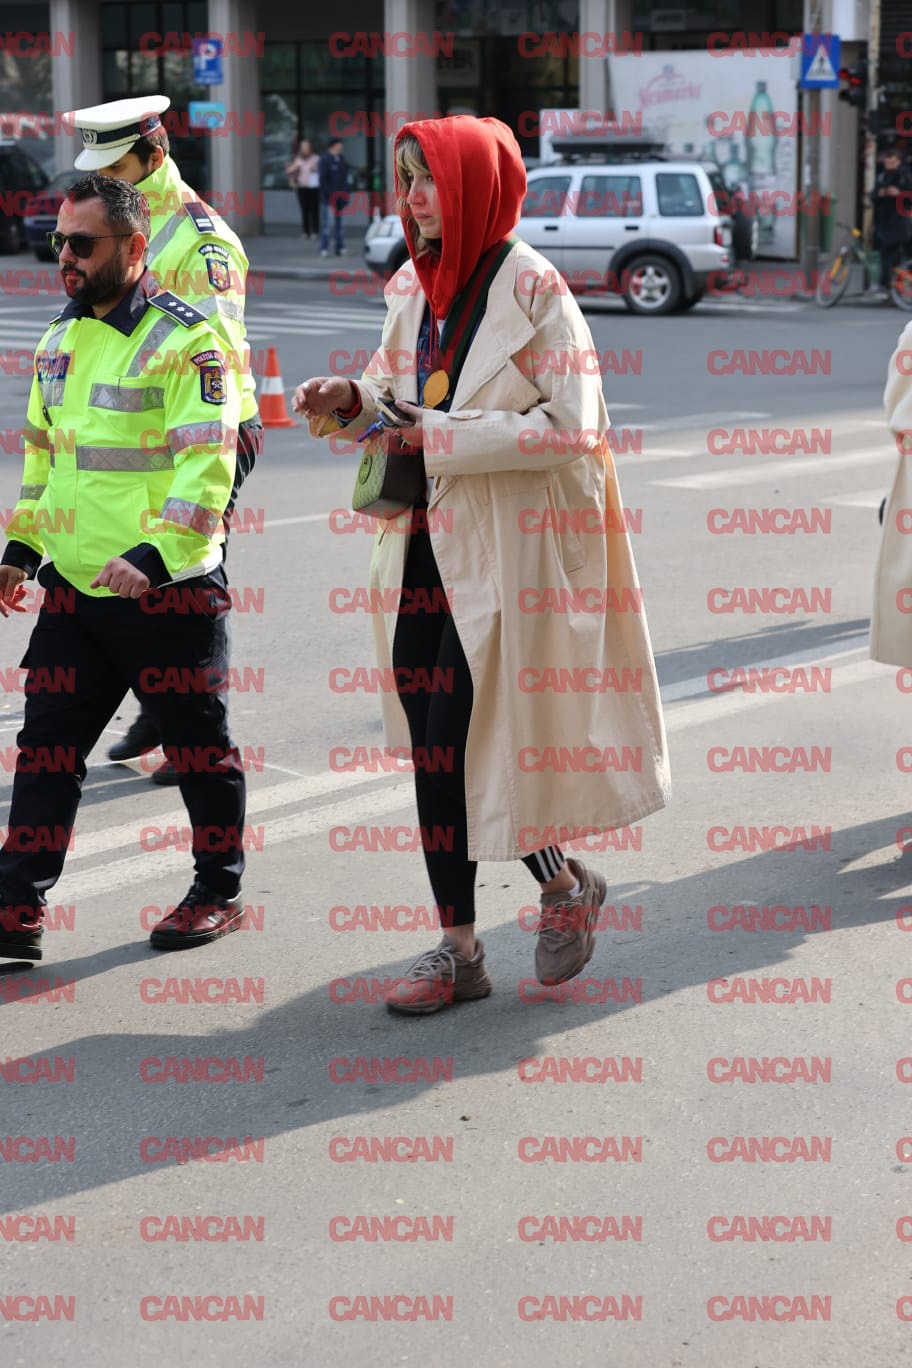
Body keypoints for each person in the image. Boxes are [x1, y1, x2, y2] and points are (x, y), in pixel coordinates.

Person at [294, 115, 670, 1014]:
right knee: (440, 748)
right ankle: (509, 917)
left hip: (509, 554)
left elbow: (573, 425)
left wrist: (442, 433)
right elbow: (392, 396)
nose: (413, 196)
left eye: (429, 178)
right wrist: (350, 400)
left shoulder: (536, 288)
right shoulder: (411, 284)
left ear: (475, 187)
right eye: (405, 177)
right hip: (421, 545)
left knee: (465, 736)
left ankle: (486, 931)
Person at [0, 174, 247, 963]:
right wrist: (20, 549)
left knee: (199, 752)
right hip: (76, 593)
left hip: (166, 593)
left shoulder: (188, 342)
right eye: (59, 242)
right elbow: (44, 458)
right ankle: (15, 906)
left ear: (135, 247)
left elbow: (208, 466)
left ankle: (217, 892)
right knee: (46, 749)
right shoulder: (58, 340)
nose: (65, 257)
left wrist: (156, 555)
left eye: (82, 243)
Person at [66, 95, 264, 782]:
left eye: (117, 167)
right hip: (135, 432)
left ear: (156, 154)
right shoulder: (118, 223)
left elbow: (213, 367)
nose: (105, 181)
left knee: (188, 570)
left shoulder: (202, 243)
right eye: (99, 170)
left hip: (206, 432)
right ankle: (163, 707)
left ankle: (195, 736)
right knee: (136, 570)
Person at [872, 147, 912, 299]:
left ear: (899, 162)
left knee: (887, 252)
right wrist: (880, 193)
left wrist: (899, 193)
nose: (890, 166)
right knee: (891, 256)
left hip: (900, 222)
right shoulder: (882, 176)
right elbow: (873, 195)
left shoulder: (906, 176)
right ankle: (894, 288)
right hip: (884, 221)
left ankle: (885, 286)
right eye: (887, 163)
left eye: (893, 163)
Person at [318, 137, 350, 257]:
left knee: (340, 226)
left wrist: (345, 194)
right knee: (327, 225)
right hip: (328, 199)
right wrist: (331, 195)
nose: (341, 148)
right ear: (333, 146)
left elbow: (345, 179)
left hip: (340, 199)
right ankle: (324, 248)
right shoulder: (325, 160)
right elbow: (323, 181)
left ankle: (340, 247)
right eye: (339, 145)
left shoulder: (341, 159)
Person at [286, 138, 320, 238]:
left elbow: (322, 171)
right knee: (304, 210)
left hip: (313, 188)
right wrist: (290, 168)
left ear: (310, 148)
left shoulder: (316, 158)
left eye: (306, 147)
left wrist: (315, 168)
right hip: (302, 187)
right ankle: (306, 231)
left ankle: (315, 231)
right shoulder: (299, 159)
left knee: (314, 210)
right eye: (303, 147)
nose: (304, 149)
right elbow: (289, 171)